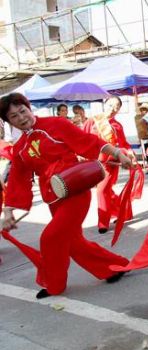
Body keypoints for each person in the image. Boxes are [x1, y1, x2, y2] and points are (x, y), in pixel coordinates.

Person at [0, 93, 133, 299]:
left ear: (28, 108)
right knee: (73, 242)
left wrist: (117, 153)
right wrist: (8, 210)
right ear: (9, 122)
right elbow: (18, 178)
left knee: (51, 237)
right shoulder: (20, 148)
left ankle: (54, 284)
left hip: (75, 189)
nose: (21, 117)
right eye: (14, 116)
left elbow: (88, 141)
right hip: (53, 198)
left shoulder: (56, 124)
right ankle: (115, 267)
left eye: (22, 111)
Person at [83, 96, 135, 233]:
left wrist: (129, 152)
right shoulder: (92, 121)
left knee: (102, 190)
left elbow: (123, 144)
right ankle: (123, 212)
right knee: (107, 191)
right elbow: (82, 138)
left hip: (110, 163)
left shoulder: (117, 126)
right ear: (104, 104)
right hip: (93, 162)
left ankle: (103, 223)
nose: (113, 109)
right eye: (111, 105)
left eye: (117, 106)